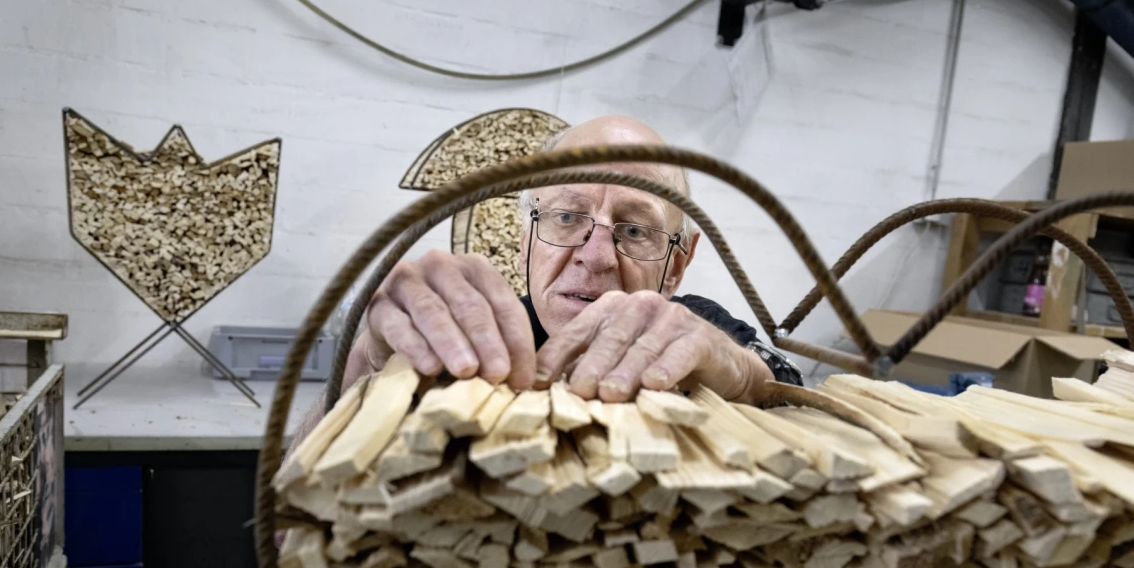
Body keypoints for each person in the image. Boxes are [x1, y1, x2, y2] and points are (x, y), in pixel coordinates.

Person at [296, 115, 799, 444]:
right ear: (523, 243)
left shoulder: (697, 330)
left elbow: (794, 397)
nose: (596, 256)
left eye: (634, 229)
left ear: (677, 265)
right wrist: (369, 358)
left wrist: (742, 371)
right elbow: (285, 519)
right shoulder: (470, 338)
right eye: (566, 217)